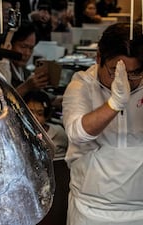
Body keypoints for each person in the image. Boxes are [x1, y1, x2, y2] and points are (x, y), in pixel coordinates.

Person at [62, 23, 143, 225]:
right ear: (99, 58)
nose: (127, 81)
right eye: (115, 71)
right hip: (91, 209)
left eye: (135, 73)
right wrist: (114, 104)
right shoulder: (81, 84)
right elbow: (76, 133)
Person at [0, 21, 49, 97]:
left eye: (31, 48)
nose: (27, 53)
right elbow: (3, 101)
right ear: (10, 45)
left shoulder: (25, 73)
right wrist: (26, 87)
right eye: (23, 47)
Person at [24, 90, 68, 157]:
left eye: (39, 114)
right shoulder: (17, 133)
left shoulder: (58, 132)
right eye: (30, 113)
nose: (34, 118)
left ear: (47, 115)